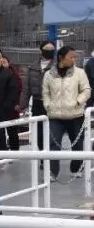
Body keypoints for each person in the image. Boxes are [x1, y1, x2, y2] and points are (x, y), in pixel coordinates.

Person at [42, 45, 91, 182]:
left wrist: (78, 102)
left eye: (75, 57)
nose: (74, 59)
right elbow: (45, 93)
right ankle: (52, 172)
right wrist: (47, 105)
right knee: (53, 144)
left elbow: (86, 90)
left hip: (75, 115)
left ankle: (76, 168)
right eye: (71, 57)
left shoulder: (80, 73)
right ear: (61, 57)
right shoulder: (48, 75)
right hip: (55, 116)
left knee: (78, 144)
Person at [20, 41, 56, 151]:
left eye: (51, 49)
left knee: (53, 132)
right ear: (41, 50)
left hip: (53, 104)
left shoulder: (59, 66)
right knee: (39, 133)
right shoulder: (33, 67)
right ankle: (42, 155)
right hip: (37, 103)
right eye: (47, 49)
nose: (49, 51)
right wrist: (22, 105)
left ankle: (52, 156)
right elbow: (26, 88)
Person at [2, 55, 23, 153]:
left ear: (8, 63)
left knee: (12, 131)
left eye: (4, 62)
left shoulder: (14, 75)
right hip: (0, 107)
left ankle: (15, 151)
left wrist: (18, 104)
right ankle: (3, 151)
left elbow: (20, 90)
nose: (2, 64)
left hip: (12, 108)